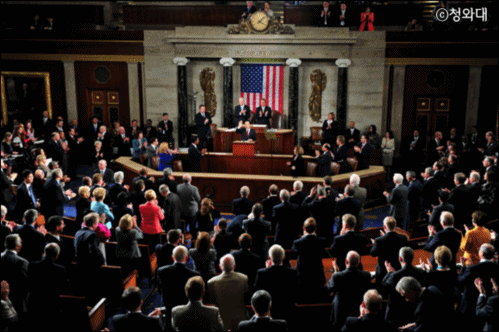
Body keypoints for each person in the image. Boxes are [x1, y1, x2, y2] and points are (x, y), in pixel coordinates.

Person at [327, 251, 372, 331]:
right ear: (358, 263)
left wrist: (335, 272)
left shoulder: (337, 276)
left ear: (346, 261)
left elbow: (329, 288)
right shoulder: (366, 275)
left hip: (340, 313)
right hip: (358, 310)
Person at [382, 247, 427, 327]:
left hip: (396, 315)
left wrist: (389, 274)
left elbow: (383, 290)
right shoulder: (421, 272)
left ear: (400, 258)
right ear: (413, 258)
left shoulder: (394, 276)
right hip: (415, 313)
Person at [254, 244, 298, 323]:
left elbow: (258, 291)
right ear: (284, 257)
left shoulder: (262, 273)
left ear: (269, 258)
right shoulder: (292, 273)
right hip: (288, 312)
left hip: (270, 313)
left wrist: (266, 270)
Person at [156, 246, 200, 324]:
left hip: (168, 308)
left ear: (173, 258)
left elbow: (160, 289)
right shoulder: (194, 275)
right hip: (186, 309)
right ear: (186, 258)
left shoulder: (161, 271)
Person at [207, 254, 249, 331]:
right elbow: (246, 298)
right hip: (240, 321)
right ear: (234, 266)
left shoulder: (211, 283)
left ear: (220, 267)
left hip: (221, 322)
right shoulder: (244, 279)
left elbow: (212, 301)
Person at [291, 218, 327, 299]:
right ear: (315, 229)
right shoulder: (321, 241)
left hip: (302, 278)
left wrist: (302, 238)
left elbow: (293, 252)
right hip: (317, 277)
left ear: (304, 228)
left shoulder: (297, 242)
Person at [370, 216, 408, 286]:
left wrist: (374, 244)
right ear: (395, 226)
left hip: (383, 273)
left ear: (384, 227)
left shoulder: (379, 240)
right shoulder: (403, 238)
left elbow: (373, 253)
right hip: (399, 270)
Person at [0, 234, 29, 320]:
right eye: (20, 243)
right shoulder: (22, 262)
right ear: (17, 246)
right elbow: (25, 285)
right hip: (15, 303)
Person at [177, 173, 201, 238]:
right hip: (192, 213)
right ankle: (193, 243)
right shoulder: (194, 188)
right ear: (190, 180)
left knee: (181, 229)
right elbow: (198, 199)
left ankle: (181, 241)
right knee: (193, 229)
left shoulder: (178, 187)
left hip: (181, 212)